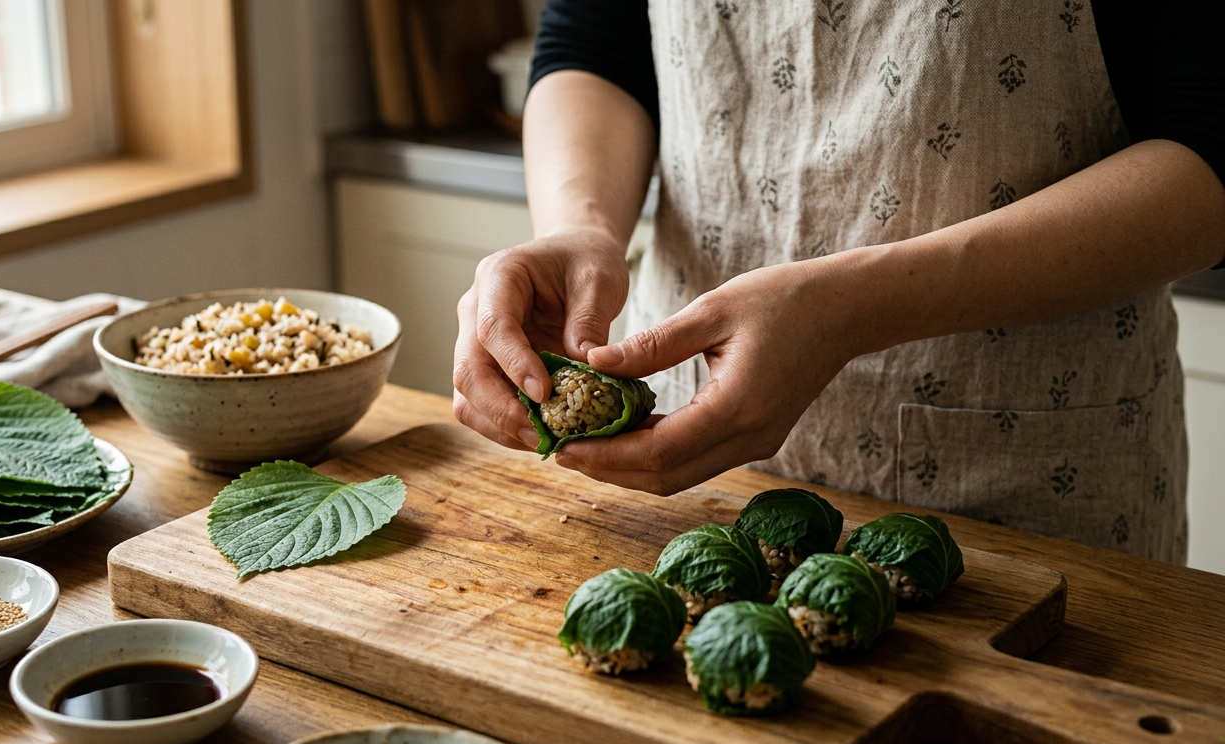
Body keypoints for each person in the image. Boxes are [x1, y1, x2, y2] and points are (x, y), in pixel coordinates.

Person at [452, 0, 1225, 562]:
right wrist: (576, 225)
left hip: (1024, 477)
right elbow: (595, 41)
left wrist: (850, 306)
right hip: (682, 474)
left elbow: (1208, 152)